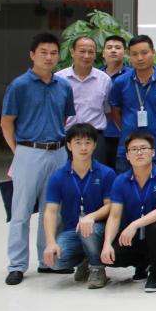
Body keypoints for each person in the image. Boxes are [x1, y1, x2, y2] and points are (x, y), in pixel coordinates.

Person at [1, 33, 77, 285]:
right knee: (20, 211)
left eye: (53, 53)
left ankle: (48, 260)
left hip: (57, 152)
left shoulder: (64, 86)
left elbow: (64, 119)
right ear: (32, 55)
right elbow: (6, 123)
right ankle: (17, 265)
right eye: (43, 52)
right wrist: (18, 152)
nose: (48, 57)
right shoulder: (19, 85)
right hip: (28, 151)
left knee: (52, 209)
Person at [40, 123, 116, 288]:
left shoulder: (106, 173)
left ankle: (97, 268)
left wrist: (91, 217)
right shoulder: (58, 176)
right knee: (55, 261)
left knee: (88, 229)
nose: (83, 147)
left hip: (98, 228)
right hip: (71, 230)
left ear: (95, 145)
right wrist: (51, 242)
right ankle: (85, 259)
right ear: (69, 145)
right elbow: (50, 212)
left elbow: (110, 206)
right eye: (78, 143)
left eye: (88, 142)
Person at [99, 130, 156, 292]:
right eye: (134, 149)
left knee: (155, 228)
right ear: (127, 155)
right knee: (112, 256)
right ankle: (142, 263)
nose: (139, 152)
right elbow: (114, 216)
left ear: (153, 152)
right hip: (133, 236)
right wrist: (107, 244)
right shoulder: (120, 181)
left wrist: (135, 224)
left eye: (144, 148)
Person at [109, 35, 156, 173]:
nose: (140, 58)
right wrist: (128, 128)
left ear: (153, 52)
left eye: (144, 53)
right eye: (134, 54)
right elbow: (115, 112)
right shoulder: (121, 82)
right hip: (128, 148)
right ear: (129, 56)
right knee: (125, 185)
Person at [56, 36, 112, 163]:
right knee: (66, 172)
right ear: (72, 52)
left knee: (96, 173)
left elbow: (108, 112)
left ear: (95, 54)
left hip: (95, 137)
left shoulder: (104, 80)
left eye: (90, 52)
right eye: (82, 51)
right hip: (66, 136)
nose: (86, 56)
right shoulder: (59, 79)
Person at [99, 35, 130, 168]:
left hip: (125, 135)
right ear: (103, 53)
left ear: (125, 53)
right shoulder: (96, 76)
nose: (113, 50)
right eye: (109, 47)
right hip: (101, 134)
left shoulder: (131, 76)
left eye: (117, 48)